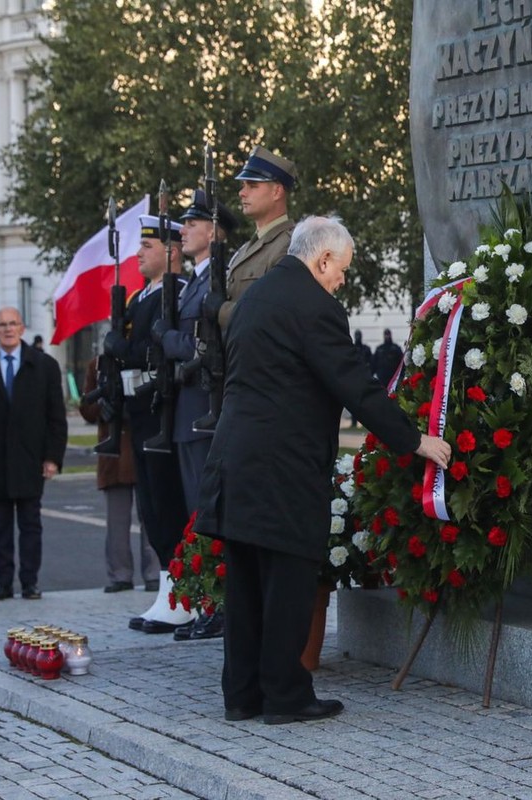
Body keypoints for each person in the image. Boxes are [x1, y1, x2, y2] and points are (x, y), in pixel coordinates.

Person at [195, 216, 451, 725]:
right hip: (282, 466)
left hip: (235, 459)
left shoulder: (255, 297)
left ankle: (242, 697)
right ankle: (287, 697)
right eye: (342, 270)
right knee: (288, 581)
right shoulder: (316, 307)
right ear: (324, 258)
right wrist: (415, 440)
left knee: (245, 585)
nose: (342, 281)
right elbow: (356, 386)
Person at [155, 188, 238, 641]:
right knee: (195, 510)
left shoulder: (215, 282)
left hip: (206, 411)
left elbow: (207, 349)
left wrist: (168, 339)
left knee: (208, 509)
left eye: (191, 224)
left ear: (214, 231)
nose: (182, 231)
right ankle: (207, 601)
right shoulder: (194, 282)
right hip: (189, 413)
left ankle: (220, 603)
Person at [104, 214, 192, 634]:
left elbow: (159, 347)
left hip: (161, 408)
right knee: (151, 506)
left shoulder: (174, 295)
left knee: (166, 500)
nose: (139, 254)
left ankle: (181, 595)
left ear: (172, 252)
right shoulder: (142, 297)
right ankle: (167, 590)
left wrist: (126, 347)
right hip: (139, 411)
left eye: (148, 247)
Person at [0, 307, 66, 601]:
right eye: (2, 325)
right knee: (0, 528)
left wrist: (52, 457)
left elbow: (56, 417)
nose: (8, 329)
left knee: (30, 524)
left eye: (13, 324)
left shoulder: (44, 365)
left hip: (31, 458)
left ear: (22, 328)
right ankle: (4, 583)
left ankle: (30, 582)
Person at [79, 356, 158, 592]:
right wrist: (100, 408)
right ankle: (120, 574)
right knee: (117, 522)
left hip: (143, 447)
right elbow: (86, 407)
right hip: (114, 456)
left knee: (151, 518)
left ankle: (154, 572)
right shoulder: (98, 364)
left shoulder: (148, 356)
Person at [206, 146, 297, 330]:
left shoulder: (290, 245)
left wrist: (221, 310)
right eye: (243, 185)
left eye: (252, 185)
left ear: (277, 192)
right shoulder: (244, 250)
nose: (242, 192)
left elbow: (273, 314)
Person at [348, 331, 373, 429]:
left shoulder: (366, 349)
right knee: (353, 402)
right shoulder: (351, 348)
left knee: (366, 402)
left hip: (364, 378)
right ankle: (354, 422)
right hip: (353, 379)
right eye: (356, 335)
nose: (358, 337)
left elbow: (372, 362)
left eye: (359, 335)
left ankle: (366, 423)